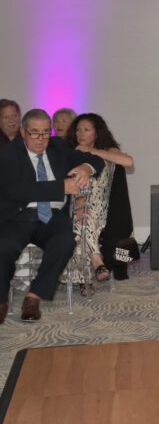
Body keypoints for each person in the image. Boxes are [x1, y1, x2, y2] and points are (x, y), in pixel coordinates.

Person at [0, 109, 103, 323]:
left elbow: (96, 160)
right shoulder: (8, 153)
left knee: (65, 241)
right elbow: (16, 190)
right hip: (18, 217)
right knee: (4, 247)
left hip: (52, 217)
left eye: (46, 132)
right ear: (23, 132)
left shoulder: (58, 147)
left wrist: (85, 167)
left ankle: (33, 297)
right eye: (34, 133)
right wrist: (60, 187)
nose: (41, 139)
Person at [65, 113, 134, 295]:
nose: (81, 134)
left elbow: (128, 161)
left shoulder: (107, 150)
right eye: (78, 130)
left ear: (97, 133)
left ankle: (84, 280)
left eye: (86, 130)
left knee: (83, 220)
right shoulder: (70, 152)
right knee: (82, 221)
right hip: (75, 207)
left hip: (101, 209)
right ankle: (96, 261)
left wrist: (92, 152)